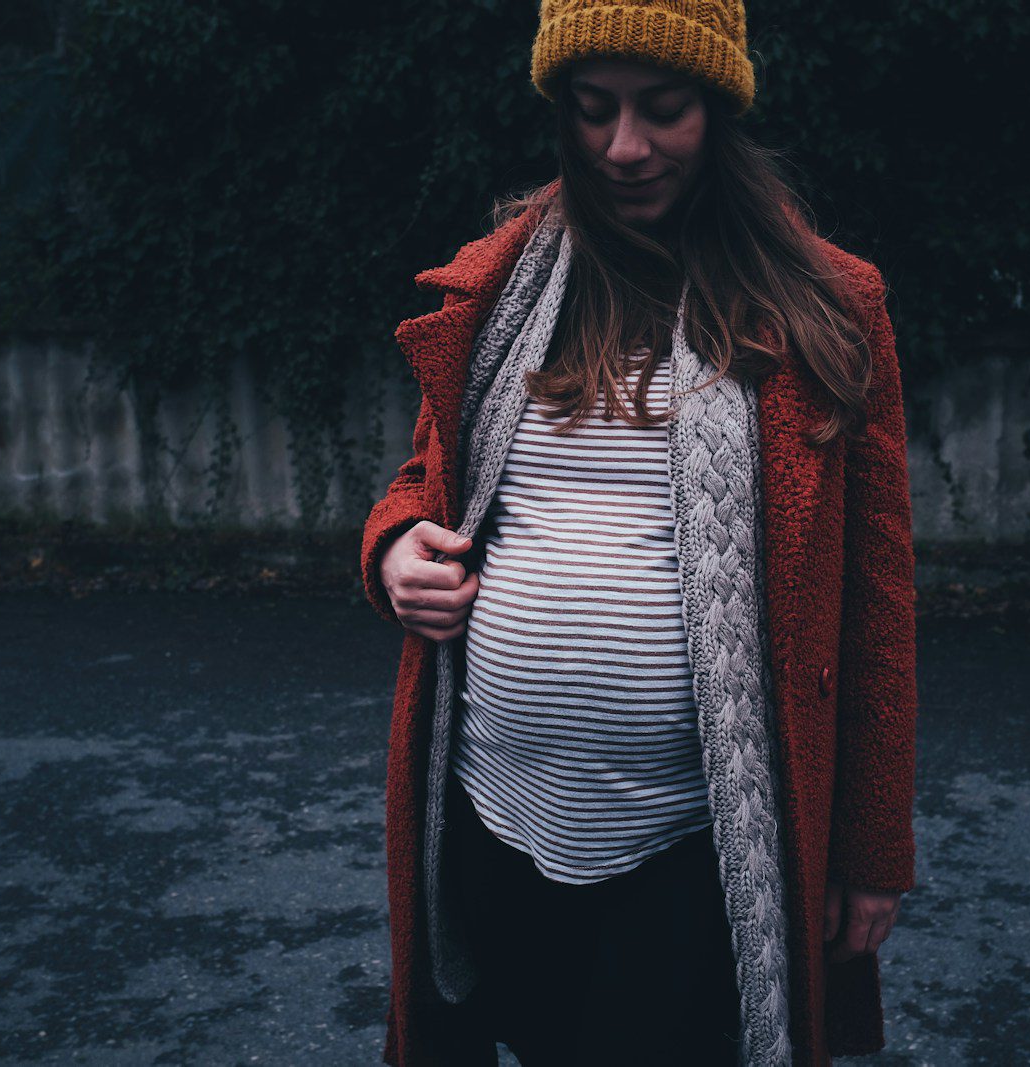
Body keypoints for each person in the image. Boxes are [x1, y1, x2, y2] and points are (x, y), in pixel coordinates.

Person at [360, 2, 919, 1065]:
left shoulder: (828, 309)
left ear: (718, 105)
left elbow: (878, 599)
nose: (624, 147)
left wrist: (872, 848)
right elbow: (422, 480)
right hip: (489, 812)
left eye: (663, 108)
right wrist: (393, 550)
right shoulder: (502, 286)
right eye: (594, 108)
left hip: (694, 846)